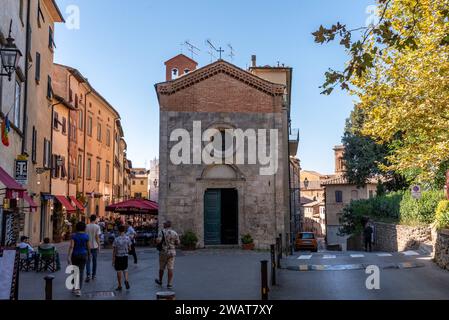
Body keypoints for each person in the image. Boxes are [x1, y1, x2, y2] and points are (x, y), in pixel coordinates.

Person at [68, 222, 91, 297]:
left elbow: (71, 246)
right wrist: (89, 254)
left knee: (75, 271)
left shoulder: (73, 236)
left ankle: (75, 287)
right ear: (84, 228)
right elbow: (88, 247)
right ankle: (78, 290)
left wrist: (68, 256)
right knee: (81, 272)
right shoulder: (86, 236)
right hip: (83, 255)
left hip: (75, 255)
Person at [155, 221, 179, 290]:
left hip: (163, 252)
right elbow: (177, 242)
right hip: (172, 252)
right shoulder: (174, 233)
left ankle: (160, 280)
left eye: (164, 224)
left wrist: (157, 240)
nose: (163, 225)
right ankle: (169, 284)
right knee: (170, 268)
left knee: (161, 268)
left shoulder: (161, 232)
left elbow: (158, 241)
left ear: (166, 225)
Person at [112, 225, 132, 291]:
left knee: (119, 271)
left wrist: (113, 260)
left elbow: (114, 250)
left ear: (118, 231)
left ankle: (120, 285)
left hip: (118, 256)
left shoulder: (116, 239)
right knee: (125, 269)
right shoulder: (127, 238)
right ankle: (126, 280)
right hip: (125, 256)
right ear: (124, 230)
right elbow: (130, 248)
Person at [85, 215, 101, 282]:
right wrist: (99, 245)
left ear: (90, 219)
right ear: (95, 219)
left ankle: (88, 275)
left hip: (87, 245)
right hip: (94, 246)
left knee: (88, 261)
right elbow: (97, 237)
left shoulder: (86, 226)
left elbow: (85, 236)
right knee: (94, 261)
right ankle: (93, 275)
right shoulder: (97, 227)